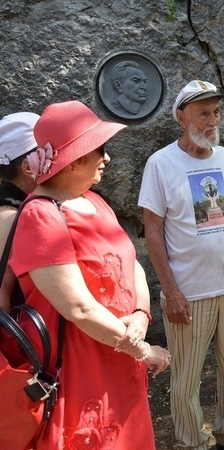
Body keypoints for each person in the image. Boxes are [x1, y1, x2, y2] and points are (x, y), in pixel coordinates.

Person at [8, 100, 171, 449]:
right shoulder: (41, 215)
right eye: (99, 149)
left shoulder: (95, 201)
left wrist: (141, 314)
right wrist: (143, 350)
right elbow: (78, 308)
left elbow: (132, 263)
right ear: (72, 159)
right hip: (81, 367)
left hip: (119, 357)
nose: (106, 157)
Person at [139, 80, 224, 450]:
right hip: (189, 294)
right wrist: (171, 292)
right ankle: (193, 441)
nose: (212, 121)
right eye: (203, 113)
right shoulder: (160, 164)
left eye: (216, 112)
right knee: (187, 378)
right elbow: (153, 231)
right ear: (182, 117)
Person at [0, 112, 39, 311]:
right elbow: (2, 290)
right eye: (48, 151)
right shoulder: (9, 215)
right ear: (27, 167)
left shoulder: (31, 202)